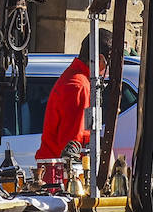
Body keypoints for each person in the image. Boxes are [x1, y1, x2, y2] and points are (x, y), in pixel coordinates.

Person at [36, 30, 113, 161]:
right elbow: (72, 145)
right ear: (100, 59)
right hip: (61, 170)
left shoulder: (78, 79)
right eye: (111, 62)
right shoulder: (79, 86)